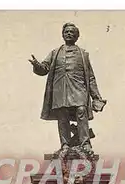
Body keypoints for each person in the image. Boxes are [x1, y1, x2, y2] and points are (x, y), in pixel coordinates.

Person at [29, 23, 106, 152]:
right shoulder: (55, 52)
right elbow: (44, 68)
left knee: (81, 110)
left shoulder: (83, 54)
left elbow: (91, 77)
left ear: (77, 36)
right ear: (63, 35)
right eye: (66, 32)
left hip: (78, 87)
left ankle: (85, 143)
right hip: (60, 89)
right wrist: (37, 65)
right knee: (62, 113)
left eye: (72, 32)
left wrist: (96, 98)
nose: (69, 34)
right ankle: (65, 144)